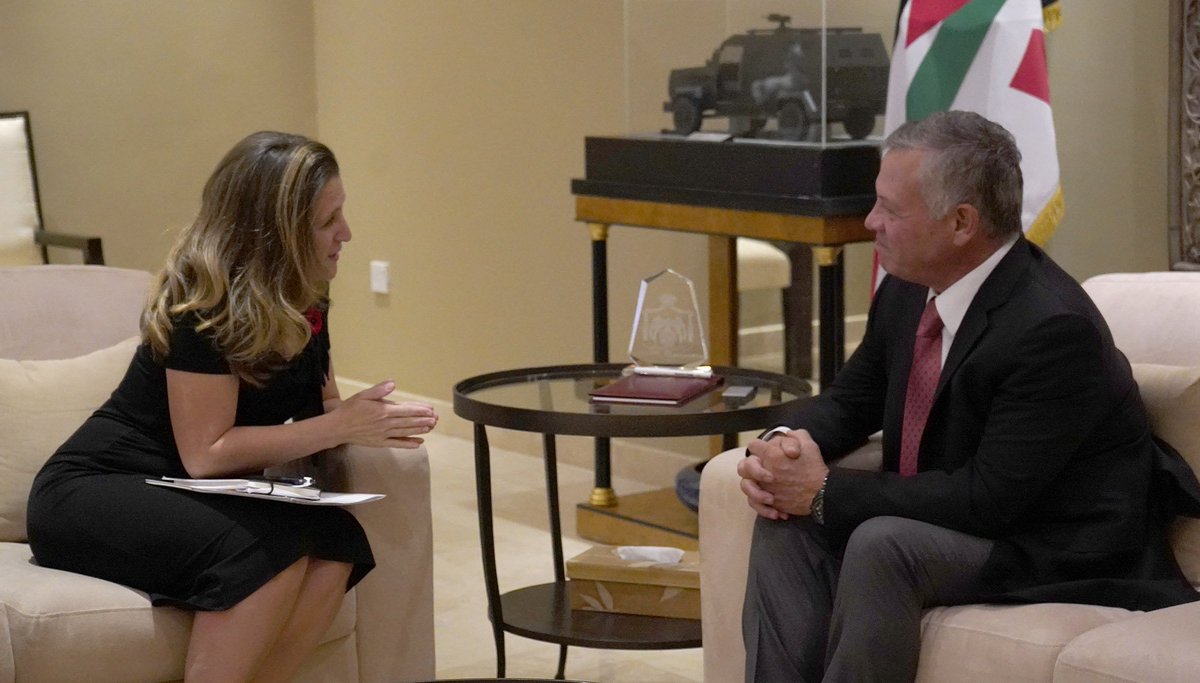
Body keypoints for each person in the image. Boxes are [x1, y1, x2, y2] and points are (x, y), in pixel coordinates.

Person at [736, 110, 1200, 682]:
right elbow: (852, 399)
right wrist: (782, 449)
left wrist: (825, 490)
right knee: (785, 516)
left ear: (961, 222)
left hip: (1054, 544)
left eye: (891, 210)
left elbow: (989, 499)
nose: (870, 222)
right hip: (965, 515)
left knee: (884, 542)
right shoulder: (908, 288)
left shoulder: (1051, 327)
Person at [26, 131, 438, 683]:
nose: (346, 233)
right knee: (266, 553)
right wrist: (338, 425)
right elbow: (207, 454)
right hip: (96, 488)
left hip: (183, 490)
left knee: (337, 543)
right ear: (278, 235)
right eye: (327, 221)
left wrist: (362, 418)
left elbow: (322, 406)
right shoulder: (204, 308)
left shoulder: (306, 296)